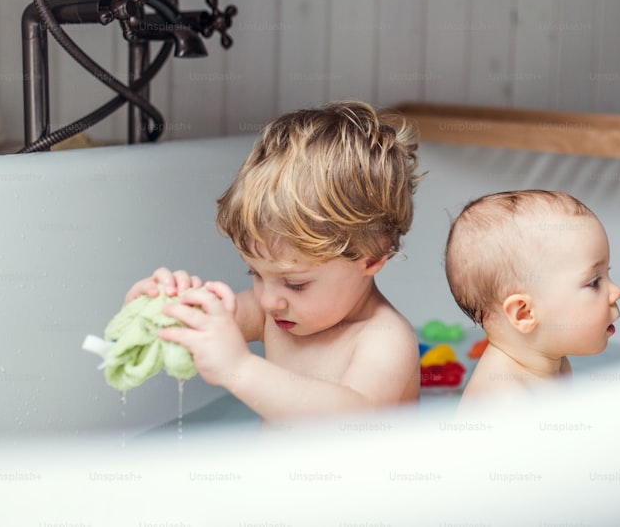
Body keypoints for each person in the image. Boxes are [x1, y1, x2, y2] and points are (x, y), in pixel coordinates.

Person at [124, 101, 423, 422]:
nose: (267, 300)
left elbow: (350, 425)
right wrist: (161, 308)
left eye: (296, 283)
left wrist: (240, 368)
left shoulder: (383, 340)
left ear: (372, 257)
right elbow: (196, 328)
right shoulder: (275, 312)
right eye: (255, 272)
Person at [444, 190, 620, 407]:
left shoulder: (555, 363)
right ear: (524, 313)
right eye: (594, 282)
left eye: (607, 273)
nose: (616, 291)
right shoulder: (506, 398)